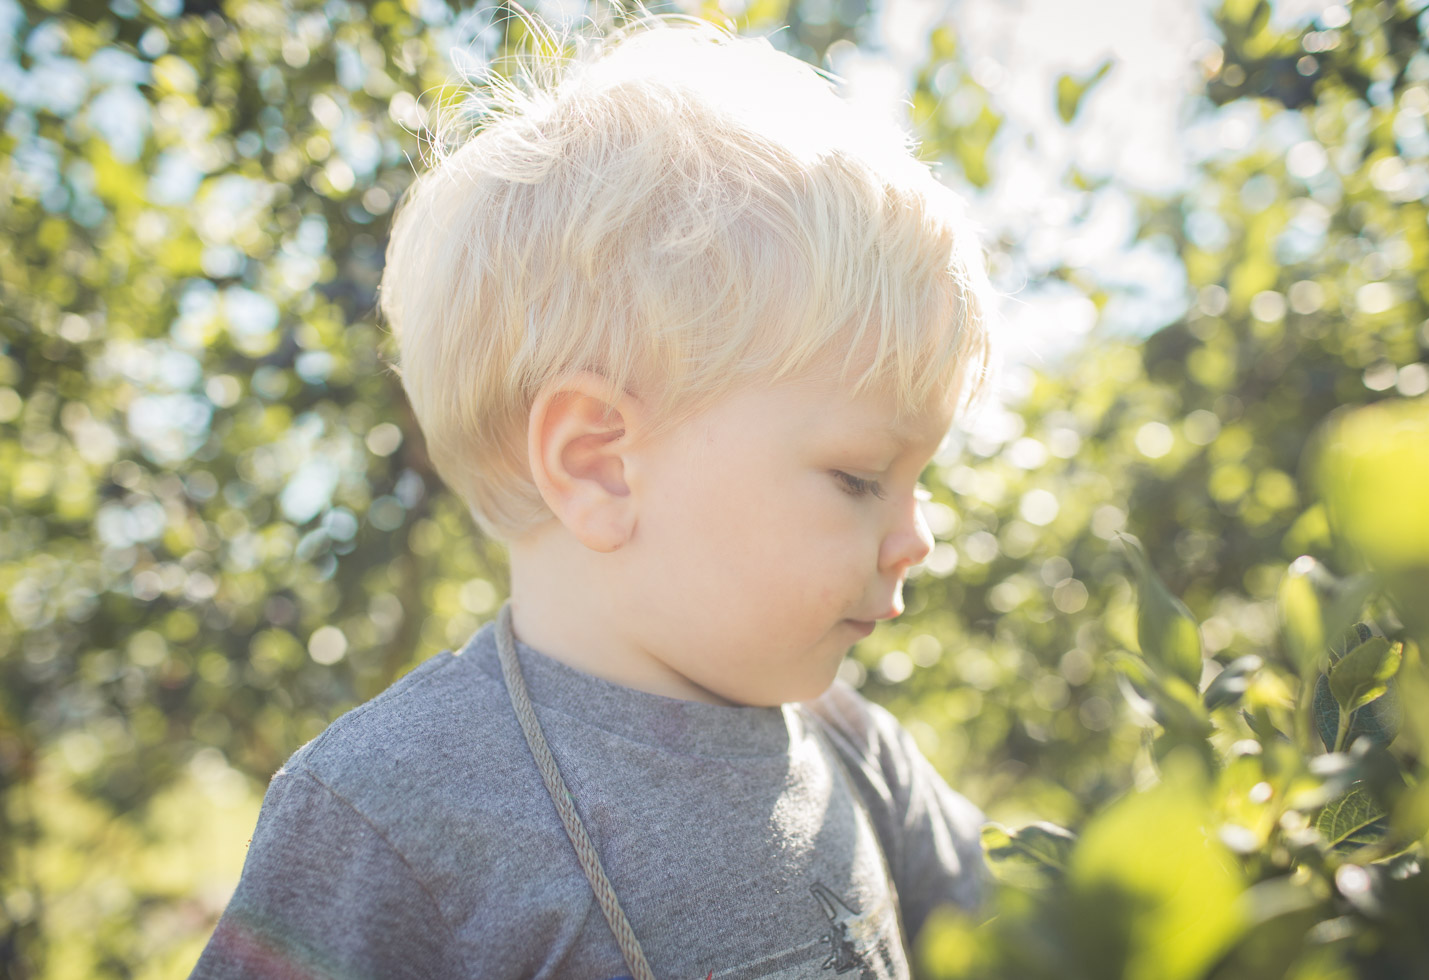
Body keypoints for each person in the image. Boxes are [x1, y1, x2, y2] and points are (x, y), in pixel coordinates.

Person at [191, 12, 995, 978]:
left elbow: (1043, 938)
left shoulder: (856, 753)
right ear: (599, 464)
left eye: (919, 479)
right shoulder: (390, 809)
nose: (920, 538)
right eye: (863, 477)